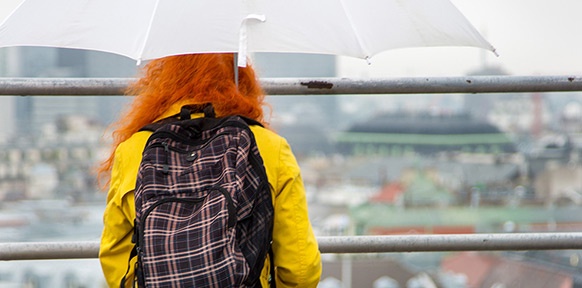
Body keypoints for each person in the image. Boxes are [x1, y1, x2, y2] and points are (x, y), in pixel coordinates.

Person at [97, 53, 322, 287]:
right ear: (242, 81)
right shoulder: (268, 146)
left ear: (162, 81)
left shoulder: (134, 149)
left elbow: (115, 256)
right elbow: (301, 269)